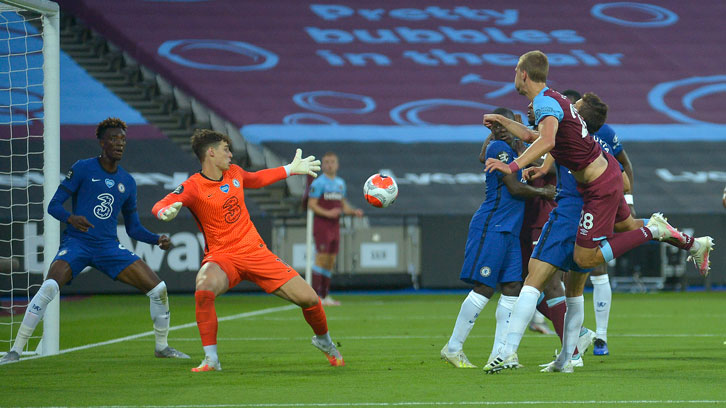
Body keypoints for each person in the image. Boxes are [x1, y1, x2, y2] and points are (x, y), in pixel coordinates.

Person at [482, 51, 713, 373]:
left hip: (596, 188)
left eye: (514, 70)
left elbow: (546, 140)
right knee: (587, 266)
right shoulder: (554, 101)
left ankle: (654, 231)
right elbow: (544, 138)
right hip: (603, 178)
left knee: (586, 260)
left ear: (523, 74)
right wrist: (507, 123)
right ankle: (567, 358)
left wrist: (514, 164)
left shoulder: (548, 104)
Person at [152, 129, 344, 372]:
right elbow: (161, 204)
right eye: (226, 150)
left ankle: (325, 342)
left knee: (310, 299)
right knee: (204, 286)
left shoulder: (234, 173)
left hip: (255, 252)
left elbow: (257, 178)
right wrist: (163, 212)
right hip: (222, 257)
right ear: (211, 152)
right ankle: (211, 359)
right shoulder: (193, 186)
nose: (231, 154)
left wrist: (289, 169)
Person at [0, 118, 188, 365]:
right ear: (101, 142)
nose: (119, 144)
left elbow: (132, 228)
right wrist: (71, 218)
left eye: (122, 139)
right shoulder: (83, 168)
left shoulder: (128, 182)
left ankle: (162, 347)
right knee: (48, 287)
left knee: (158, 289)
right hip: (78, 243)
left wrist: (156, 239)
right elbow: (54, 206)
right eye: (113, 139)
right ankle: (15, 350)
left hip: (109, 247)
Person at [441, 107, 556, 368]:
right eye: (500, 126)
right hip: (492, 225)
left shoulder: (509, 150)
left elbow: (485, 155)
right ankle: (453, 347)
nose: (505, 129)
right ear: (494, 129)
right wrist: (544, 193)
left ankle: (500, 354)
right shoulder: (498, 149)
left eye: (507, 125)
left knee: (512, 288)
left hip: (510, 230)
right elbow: (514, 188)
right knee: (483, 287)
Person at [307, 152, 363, 306]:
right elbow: (311, 204)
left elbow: (343, 204)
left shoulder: (340, 183)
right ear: (323, 165)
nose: (329, 165)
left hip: (335, 226)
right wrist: (328, 213)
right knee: (321, 258)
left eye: (332, 162)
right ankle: (315, 296)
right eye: (326, 162)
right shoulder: (319, 183)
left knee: (330, 260)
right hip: (322, 225)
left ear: (337, 165)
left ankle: (325, 296)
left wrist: (353, 211)